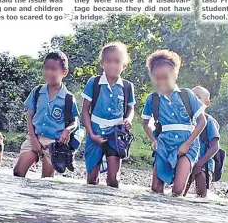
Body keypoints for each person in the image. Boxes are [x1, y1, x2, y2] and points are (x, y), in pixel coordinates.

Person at [141, 50, 207, 196]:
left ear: (175, 75)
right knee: (156, 188)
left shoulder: (187, 95)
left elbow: (202, 121)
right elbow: (145, 123)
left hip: (187, 145)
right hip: (164, 144)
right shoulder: (153, 99)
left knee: (177, 190)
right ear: (152, 76)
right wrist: (153, 140)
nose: (161, 82)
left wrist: (187, 144)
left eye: (165, 77)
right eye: (156, 78)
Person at [13, 51, 79, 178]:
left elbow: (74, 121)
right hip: (34, 137)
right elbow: (30, 116)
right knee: (18, 173)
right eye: (46, 68)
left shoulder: (68, 98)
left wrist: (67, 130)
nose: (49, 72)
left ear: (64, 72)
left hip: (54, 144)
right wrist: (33, 139)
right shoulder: (37, 91)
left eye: (53, 69)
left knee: (46, 181)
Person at [82, 42, 135, 188]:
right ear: (103, 63)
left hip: (116, 135)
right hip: (95, 132)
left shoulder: (127, 86)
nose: (113, 65)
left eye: (117, 61)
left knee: (113, 180)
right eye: (109, 61)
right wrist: (91, 134)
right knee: (92, 179)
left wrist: (128, 119)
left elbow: (131, 108)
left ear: (124, 64)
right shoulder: (94, 82)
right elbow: (85, 110)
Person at [188, 86, 220, 197]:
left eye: (197, 97)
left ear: (206, 103)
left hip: (204, 164)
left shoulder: (209, 121)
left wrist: (200, 164)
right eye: (191, 97)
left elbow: (215, 147)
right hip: (187, 160)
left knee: (201, 193)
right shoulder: (186, 120)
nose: (193, 100)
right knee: (180, 191)